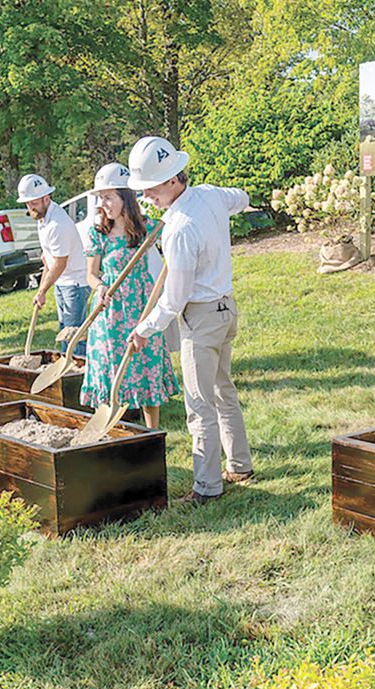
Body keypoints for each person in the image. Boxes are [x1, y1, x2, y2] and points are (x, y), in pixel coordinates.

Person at [127, 136, 253, 506]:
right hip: (226, 309)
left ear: (172, 180)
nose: (146, 198)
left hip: (200, 318)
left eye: (150, 189)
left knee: (200, 405)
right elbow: (241, 198)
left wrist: (144, 328)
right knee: (222, 392)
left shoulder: (178, 229)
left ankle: (207, 487)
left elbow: (175, 298)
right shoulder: (210, 194)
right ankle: (240, 466)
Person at [78, 163, 179, 429]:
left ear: (126, 197)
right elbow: (91, 275)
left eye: (109, 197)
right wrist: (99, 287)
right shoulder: (98, 233)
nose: (104, 204)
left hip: (142, 309)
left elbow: (176, 237)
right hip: (110, 313)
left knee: (147, 368)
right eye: (101, 198)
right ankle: (113, 434)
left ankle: (152, 432)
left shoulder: (149, 229)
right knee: (111, 372)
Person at [19, 173, 89, 357]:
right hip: (62, 282)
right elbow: (47, 259)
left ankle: (78, 373)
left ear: (46, 198)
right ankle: (66, 371)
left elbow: (60, 264)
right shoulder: (43, 218)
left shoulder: (58, 224)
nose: (30, 208)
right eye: (27, 203)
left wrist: (42, 291)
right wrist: (43, 288)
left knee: (74, 335)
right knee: (64, 331)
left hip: (75, 283)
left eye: (33, 202)